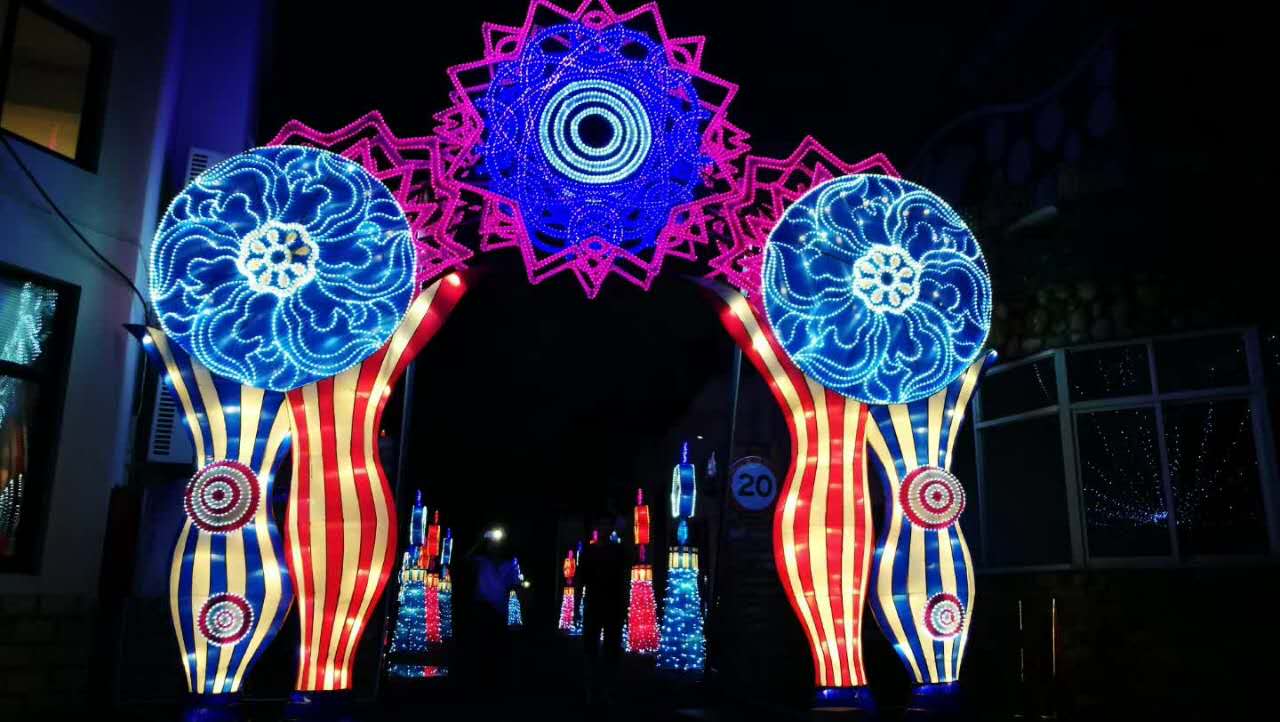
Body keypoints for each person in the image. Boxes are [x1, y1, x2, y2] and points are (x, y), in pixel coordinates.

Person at [575, 513, 628, 704]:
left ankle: (607, 690)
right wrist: (576, 607)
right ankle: (591, 690)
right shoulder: (588, 552)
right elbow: (581, 580)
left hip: (613, 606)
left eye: (608, 524)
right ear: (597, 527)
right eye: (601, 524)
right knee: (590, 649)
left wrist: (625, 606)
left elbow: (624, 579)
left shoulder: (618, 551)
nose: (604, 528)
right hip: (594, 604)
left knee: (611, 650)